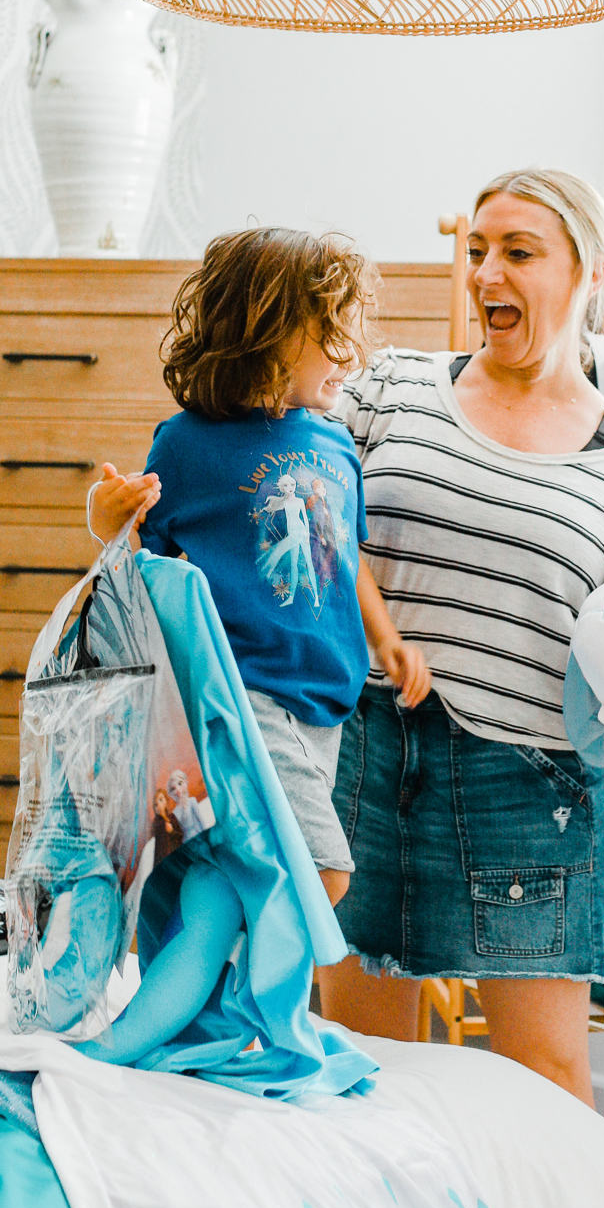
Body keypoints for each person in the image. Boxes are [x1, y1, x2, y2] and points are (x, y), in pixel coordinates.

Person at [318, 168, 604, 1104]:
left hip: (528, 785)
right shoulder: (387, 389)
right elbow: (291, 517)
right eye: (477, 250)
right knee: (356, 1068)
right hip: (362, 753)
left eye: (519, 252)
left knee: (546, 1081)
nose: (487, 272)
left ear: (589, 273)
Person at [87, 229, 430, 909]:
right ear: (268, 333)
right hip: (242, 693)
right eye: (335, 334)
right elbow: (133, 549)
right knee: (319, 873)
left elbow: (344, 555)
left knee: (238, 873)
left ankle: (224, 1005)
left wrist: (385, 639)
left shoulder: (334, 443)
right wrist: (105, 513)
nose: (354, 355)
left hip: (324, 701)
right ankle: (238, 1000)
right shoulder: (186, 442)